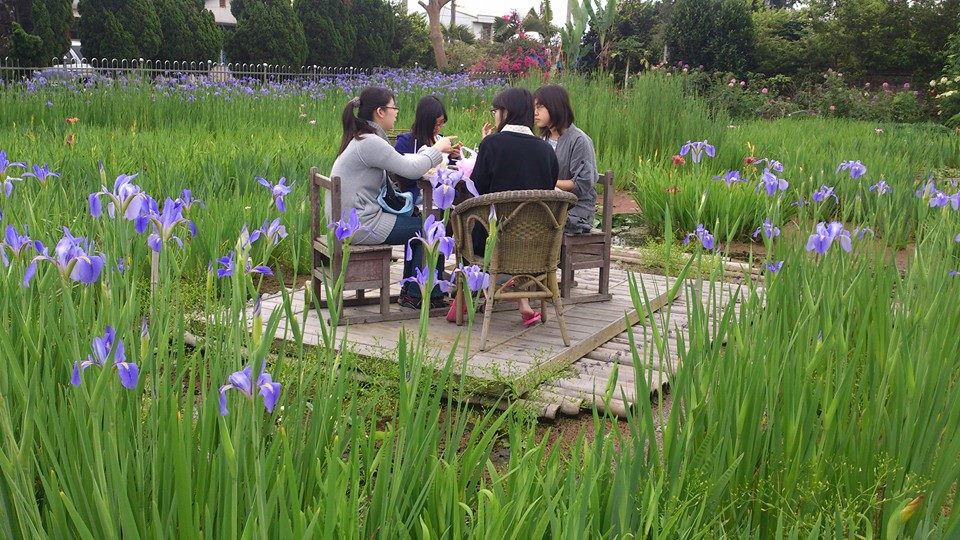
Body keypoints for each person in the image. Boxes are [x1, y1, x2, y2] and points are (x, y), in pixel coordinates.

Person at [331, 87, 456, 309]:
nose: (396, 112)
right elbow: (410, 169)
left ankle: (412, 291)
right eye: (393, 107)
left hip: (353, 219)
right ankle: (420, 294)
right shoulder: (370, 142)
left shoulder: (362, 137)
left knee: (422, 225)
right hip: (361, 224)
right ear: (380, 111)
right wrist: (437, 148)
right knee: (431, 230)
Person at [464, 87, 559, 326]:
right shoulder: (546, 151)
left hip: (492, 240)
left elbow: (477, 189)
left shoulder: (492, 145)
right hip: (535, 243)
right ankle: (523, 300)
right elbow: (548, 192)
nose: (494, 115)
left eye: (495, 110)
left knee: (466, 223)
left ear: (506, 112)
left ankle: (465, 296)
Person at [533, 84, 598, 235]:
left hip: (576, 210)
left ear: (555, 106)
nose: (535, 113)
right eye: (534, 107)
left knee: (532, 224)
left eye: (540, 107)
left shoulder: (579, 140)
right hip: (550, 205)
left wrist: (548, 183)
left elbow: (583, 183)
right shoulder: (543, 139)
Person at [394, 95, 461, 202]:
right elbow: (402, 177)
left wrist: (454, 157)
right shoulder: (405, 142)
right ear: (424, 122)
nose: (438, 128)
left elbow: (450, 172)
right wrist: (436, 150)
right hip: (417, 198)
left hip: (444, 195)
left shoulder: (441, 140)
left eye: (442, 123)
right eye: (435, 124)